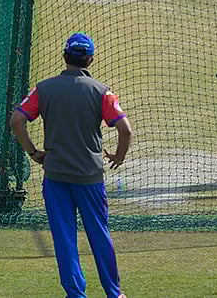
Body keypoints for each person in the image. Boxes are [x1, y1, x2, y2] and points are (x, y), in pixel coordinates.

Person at [9, 33, 131, 298]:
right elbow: (125, 129)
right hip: (89, 178)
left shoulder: (43, 89)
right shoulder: (102, 92)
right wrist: (119, 157)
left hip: (56, 178)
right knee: (100, 235)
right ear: (90, 59)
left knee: (64, 239)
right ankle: (114, 293)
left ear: (65, 56)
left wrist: (33, 153)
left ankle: (75, 294)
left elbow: (17, 121)